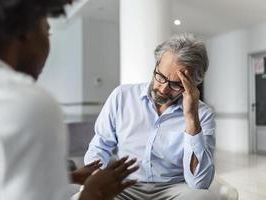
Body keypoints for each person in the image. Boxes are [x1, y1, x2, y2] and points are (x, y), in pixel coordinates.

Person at [0, 0, 138, 200]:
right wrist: (93, 194)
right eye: (47, 32)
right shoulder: (23, 101)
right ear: (26, 31)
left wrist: (71, 177)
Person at [84, 34, 218, 199]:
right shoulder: (121, 96)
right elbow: (100, 146)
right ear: (156, 66)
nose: (163, 89)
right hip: (125, 185)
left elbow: (200, 183)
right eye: (160, 76)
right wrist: (97, 177)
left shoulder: (202, 115)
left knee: (205, 198)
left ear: (193, 85)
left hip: (174, 189)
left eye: (176, 85)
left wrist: (191, 116)